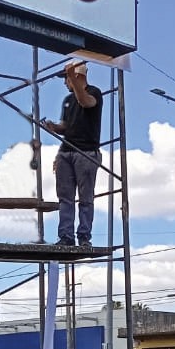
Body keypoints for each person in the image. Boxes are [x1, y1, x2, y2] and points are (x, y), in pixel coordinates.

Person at [42, 59, 103, 251]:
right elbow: (66, 127)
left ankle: (84, 236)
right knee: (65, 197)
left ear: (77, 76)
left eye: (67, 78)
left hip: (86, 152)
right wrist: (54, 127)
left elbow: (86, 102)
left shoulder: (94, 92)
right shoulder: (68, 100)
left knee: (85, 198)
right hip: (67, 151)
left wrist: (72, 77)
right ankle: (66, 236)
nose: (65, 82)